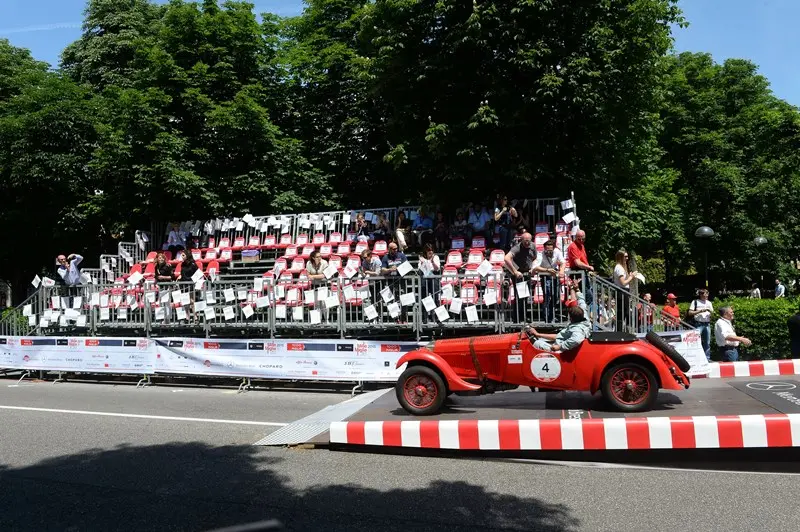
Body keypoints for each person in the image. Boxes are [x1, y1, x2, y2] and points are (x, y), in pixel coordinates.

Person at [504, 232, 537, 322]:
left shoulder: (533, 246)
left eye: (529, 241)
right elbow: (506, 258)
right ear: (521, 240)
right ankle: (517, 318)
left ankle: (524, 317)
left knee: (525, 296)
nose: (527, 243)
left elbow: (535, 258)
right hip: (518, 274)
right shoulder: (517, 248)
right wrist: (515, 271)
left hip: (527, 273)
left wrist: (532, 268)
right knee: (519, 296)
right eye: (525, 241)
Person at [533, 239, 566, 323]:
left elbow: (563, 262)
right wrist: (547, 270)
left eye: (551, 250)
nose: (549, 252)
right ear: (544, 249)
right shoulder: (541, 254)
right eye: (547, 250)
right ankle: (546, 318)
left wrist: (561, 271)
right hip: (545, 275)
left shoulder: (557, 252)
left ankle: (551, 316)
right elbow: (536, 267)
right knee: (547, 296)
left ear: (553, 249)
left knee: (555, 296)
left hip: (554, 276)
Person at [612, 249, 637, 331]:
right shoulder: (619, 268)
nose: (627, 258)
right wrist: (631, 277)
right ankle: (620, 331)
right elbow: (623, 282)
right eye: (625, 256)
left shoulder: (621, 267)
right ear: (621, 257)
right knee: (623, 312)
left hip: (623, 291)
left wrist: (629, 276)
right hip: (621, 291)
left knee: (623, 312)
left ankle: (622, 330)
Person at [686, 289, 714, 361]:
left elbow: (712, 313)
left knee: (707, 342)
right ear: (701, 295)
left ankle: (707, 358)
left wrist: (711, 314)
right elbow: (690, 313)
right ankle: (696, 358)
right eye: (705, 294)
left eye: (707, 294)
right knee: (696, 342)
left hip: (707, 324)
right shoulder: (695, 302)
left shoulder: (709, 303)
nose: (707, 295)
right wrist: (701, 311)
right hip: (698, 324)